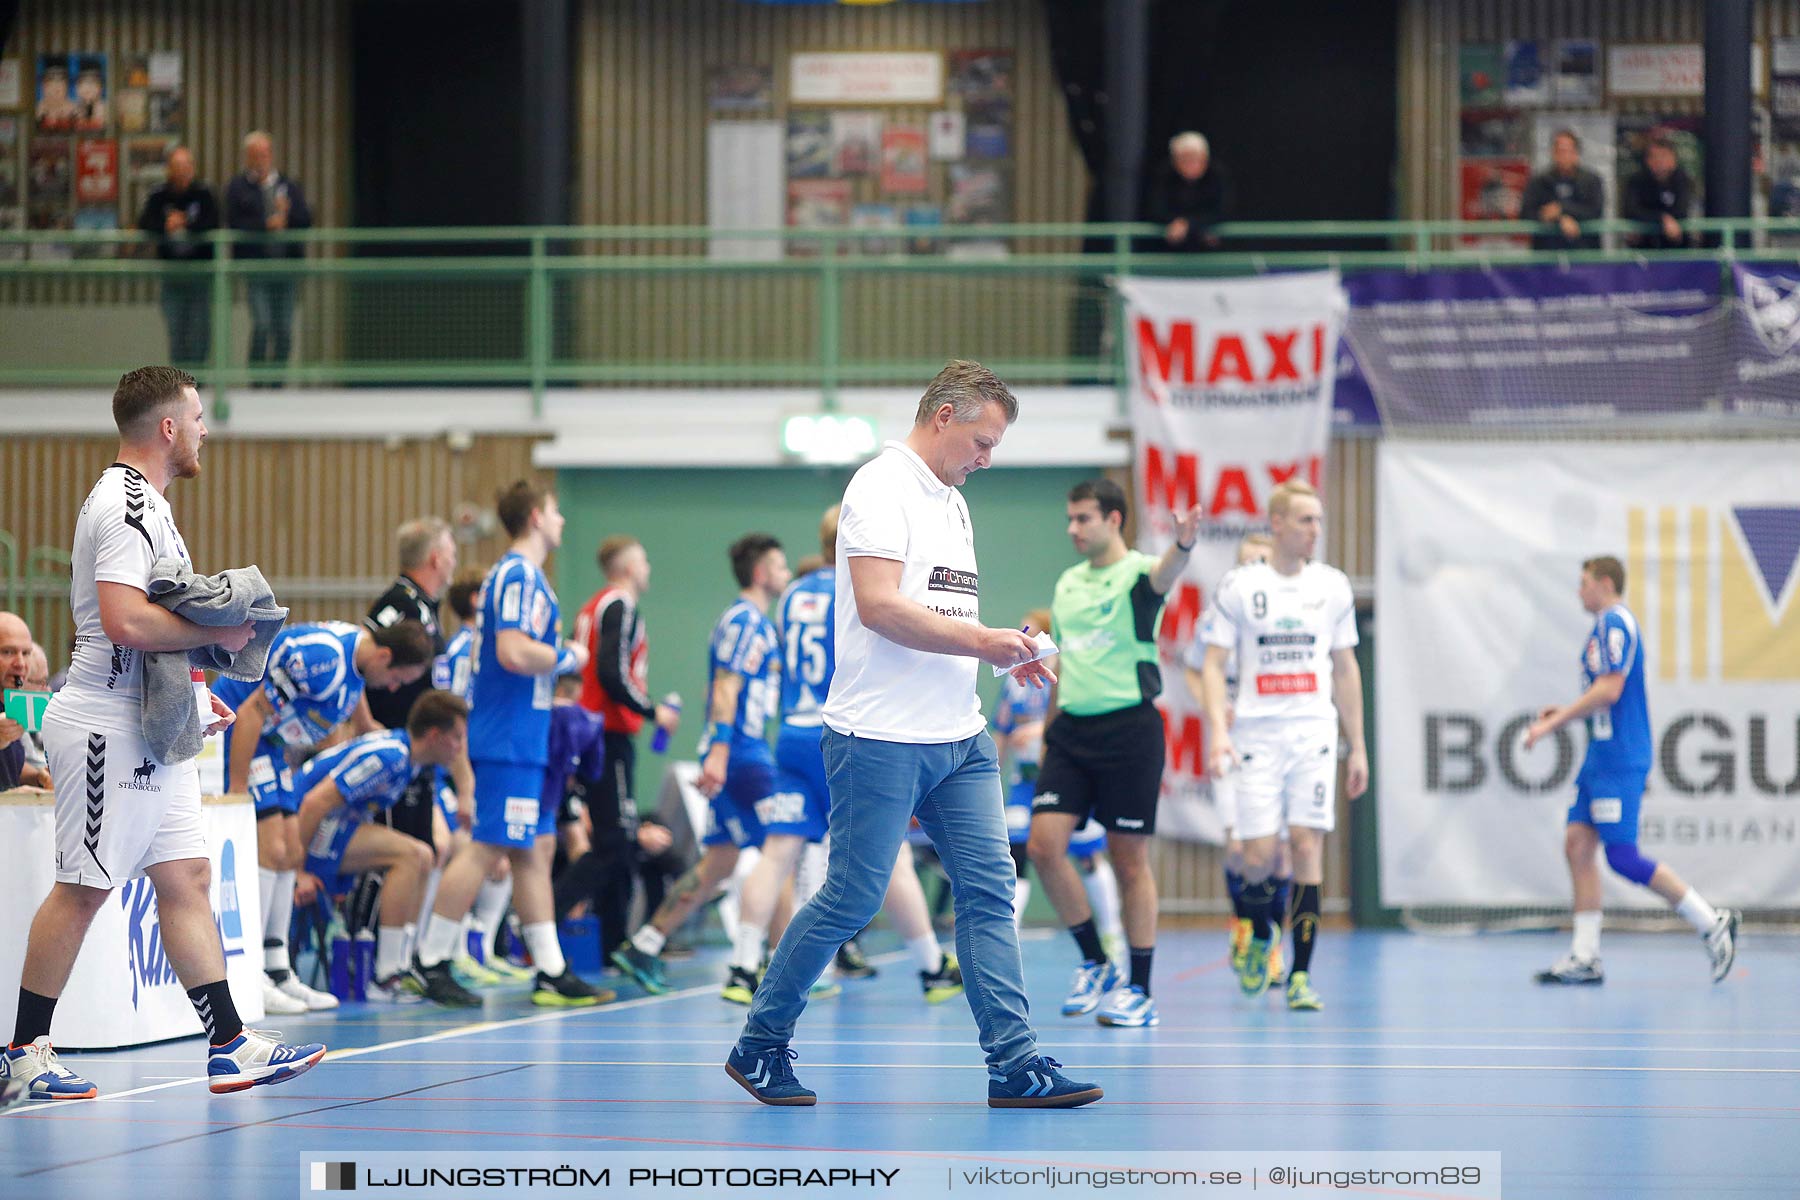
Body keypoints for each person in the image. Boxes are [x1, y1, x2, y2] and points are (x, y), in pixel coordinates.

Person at [726, 359, 1101, 1109]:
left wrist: (1005, 651)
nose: (987, 459)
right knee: (851, 896)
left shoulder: (954, 501)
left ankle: (1014, 1063)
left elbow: (949, 611)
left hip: (959, 737)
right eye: (982, 442)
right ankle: (761, 1043)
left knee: (993, 892)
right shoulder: (878, 487)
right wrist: (981, 641)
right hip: (878, 736)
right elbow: (879, 608)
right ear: (944, 418)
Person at [3, 366, 324, 1101]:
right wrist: (227, 629)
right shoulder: (123, 504)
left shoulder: (155, 506)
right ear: (169, 428)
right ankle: (23, 1051)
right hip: (103, 723)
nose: (207, 429)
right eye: (200, 418)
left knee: (186, 877)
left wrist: (199, 682)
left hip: (150, 722)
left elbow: (158, 627)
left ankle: (230, 1043)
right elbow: (122, 620)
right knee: (84, 889)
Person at [408, 481, 608, 1008]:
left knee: (533, 850)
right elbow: (514, 652)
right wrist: (568, 657)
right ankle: (431, 959)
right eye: (557, 511)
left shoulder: (525, 576)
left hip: (526, 736)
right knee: (488, 845)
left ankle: (550, 968)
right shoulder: (518, 574)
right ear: (538, 516)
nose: (562, 520)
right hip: (507, 736)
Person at [771, 506, 963, 1004]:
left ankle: (751, 961)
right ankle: (928, 964)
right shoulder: (857, 585)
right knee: (887, 855)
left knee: (782, 855)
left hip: (790, 727)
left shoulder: (789, 593)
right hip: (843, 724)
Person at [1026, 479, 1200, 1030]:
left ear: (1114, 520)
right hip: (1072, 732)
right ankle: (1097, 963)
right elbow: (1064, 662)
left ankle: (1141, 990)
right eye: (1070, 519)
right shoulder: (1068, 583)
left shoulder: (1139, 576)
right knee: (1044, 846)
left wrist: (1186, 545)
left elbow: (1166, 573)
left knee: (1128, 861)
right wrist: (1050, 728)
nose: (1073, 529)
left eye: (1083, 519)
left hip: (1131, 730)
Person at [1524, 556, 1739, 986]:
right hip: (1600, 756)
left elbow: (1611, 688)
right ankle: (1585, 956)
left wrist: (1554, 722)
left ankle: (1711, 921)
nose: (1579, 591)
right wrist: (1567, 710)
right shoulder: (1603, 626)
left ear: (1605, 583)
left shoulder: (1615, 623)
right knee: (1577, 844)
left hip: (1619, 758)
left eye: (1584, 582)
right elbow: (1604, 694)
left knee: (1622, 857)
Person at [1197, 480, 1366, 1012]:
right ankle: (1253, 924)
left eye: (1318, 520)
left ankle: (1299, 975)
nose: (1315, 530)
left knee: (1306, 844)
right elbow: (1212, 662)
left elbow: (1345, 669)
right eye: (1305, 520)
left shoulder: (1333, 587)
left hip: (1313, 730)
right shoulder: (1241, 588)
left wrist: (1357, 746)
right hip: (1255, 733)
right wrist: (1219, 730)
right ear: (1277, 525)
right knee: (1258, 855)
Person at [214, 617, 435, 1015]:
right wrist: (236, 791)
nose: (397, 687)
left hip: (271, 743)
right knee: (274, 846)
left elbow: (360, 718)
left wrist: (369, 727)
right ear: (384, 656)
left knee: (289, 852)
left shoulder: (360, 667)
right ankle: (253, 974)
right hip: (236, 728)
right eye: (399, 676)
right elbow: (250, 713)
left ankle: (279, 969)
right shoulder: (322, 659)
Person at [291, 690, 472, 1003]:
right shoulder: (389, 757)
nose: (460, 749)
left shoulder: (411, 763)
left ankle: (402, 962)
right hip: (301, 826)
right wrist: (297, 870)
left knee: (423, 856)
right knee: (412, 855)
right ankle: (385, 975)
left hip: (334, 827)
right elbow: (312, 803)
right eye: (456, 738)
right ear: (433, 735)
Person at [1184, 534, 1289, 980]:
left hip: (1278, 742)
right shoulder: (1218, 617)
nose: (1254, 567)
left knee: (1278, 851)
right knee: (1238, 847)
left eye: (1261, 560)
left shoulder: (1289, 615)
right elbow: (1194, 668)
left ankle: (1273, 943)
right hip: (1232, 743)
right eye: (1246, 562)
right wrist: (1214, 714)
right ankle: (1247, 923)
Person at [568, 536, 680, 954]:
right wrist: (653, 712)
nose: (649, 568)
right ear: (630, 567)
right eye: (645, 560)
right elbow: (612, 674)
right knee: (614, 842)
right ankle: (551, 921)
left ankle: (614, 942)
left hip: (595, 729)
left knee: (615, 844)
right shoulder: (620, 605)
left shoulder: (592, 606)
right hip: (607, 733)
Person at [224, 132, 313, 378]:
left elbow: (305, 220)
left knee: (284, 329)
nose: (260, 159)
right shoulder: (238, 187)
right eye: (255, 155)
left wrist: (288, 216)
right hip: (256, 268)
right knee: (262, 325)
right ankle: (258, 378)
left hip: (287, 268)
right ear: (248, 157)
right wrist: (265, 225)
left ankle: (277, 381)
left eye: (264, 154)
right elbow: (234, 223)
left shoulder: (288, 186)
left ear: (271, 155)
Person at [136, 148, 220, 366]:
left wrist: (185, 223)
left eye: (186, 167)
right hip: (171, 276)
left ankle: (198, 379)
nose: (182, 172)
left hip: (200, 276)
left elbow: (213, 222)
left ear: (192, 169)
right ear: (169, 170)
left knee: (200, 329)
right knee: (176, 329)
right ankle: (179, 381)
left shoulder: (204, 194)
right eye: (177, 167)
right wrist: (166, 225)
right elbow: (145, 223)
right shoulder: (158, 195)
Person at [1146, 131, 1232, 252]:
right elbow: (1156, 209)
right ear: (1175, 160)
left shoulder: (1217, 174)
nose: (1191, 163)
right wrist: (1175, 224)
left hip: (1211, 252)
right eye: (1185, 158)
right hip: (1169, 252)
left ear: (1205, 158)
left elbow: (1222, 210)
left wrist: (1190, 225)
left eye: (1196, 158)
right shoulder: (1164, 175)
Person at [1519, 129, 1604, 251]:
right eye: (1559, 151)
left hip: (1584, 251)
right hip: (1548, 253)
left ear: (1576, 153)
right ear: (1553, 153)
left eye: (1567, 151)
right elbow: (1526, 213)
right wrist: (1558, 219)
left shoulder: (1591, 180)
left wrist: (1561, 209)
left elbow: (1595, 211)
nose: (1563, 156)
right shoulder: (1539, 181)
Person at [1622, 134, 1694, 250]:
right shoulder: (1637, 181)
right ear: (1647, 160)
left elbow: (1681, 211)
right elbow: (1631, 210)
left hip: (1677, 248)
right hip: (1644, 247)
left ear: (1673, 159)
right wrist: (1661, 218)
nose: (1659, 161)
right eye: (1655, 157)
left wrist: (1668, 222)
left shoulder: (1682, 179)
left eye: (1664, 156)